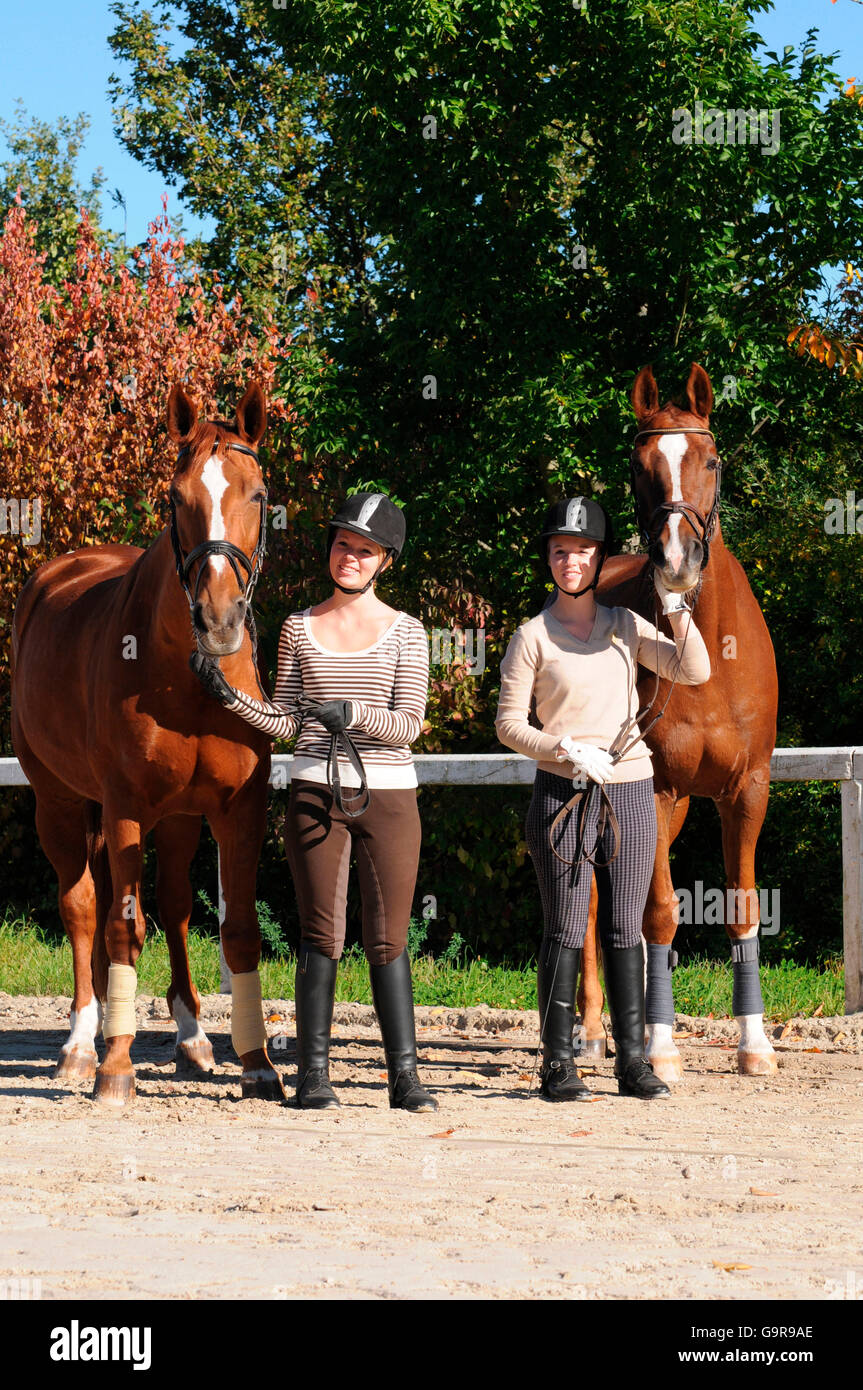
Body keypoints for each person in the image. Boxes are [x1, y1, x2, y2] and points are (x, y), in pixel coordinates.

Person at [191, 492, 437, 1112]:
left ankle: (403, 1076)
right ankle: (315, 1075)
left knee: (388, 939)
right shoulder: (298, 627)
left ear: (385, 561)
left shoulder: (408, 632)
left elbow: (410, 723)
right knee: (320, 934)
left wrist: (351, 714)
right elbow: (286, 721)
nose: (349, 556)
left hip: (387, 793)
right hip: (314, 791)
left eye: (365, 549)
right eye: (342, 544)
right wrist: (228, 697)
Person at [495, 496, 711, 1101]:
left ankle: (632, 1060)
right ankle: (557, 1062)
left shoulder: (622, 626)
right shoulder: (530, 637)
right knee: (565, 927)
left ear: (599, 559)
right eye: (561, 551)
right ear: (549, 559)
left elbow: (692, 671)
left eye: (583, 551)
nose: (571, 561)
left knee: (623, 925)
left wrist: (675, 607)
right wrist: (564, 749)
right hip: (563, 790)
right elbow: (508, 725)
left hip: (630, 787)